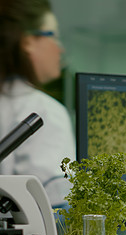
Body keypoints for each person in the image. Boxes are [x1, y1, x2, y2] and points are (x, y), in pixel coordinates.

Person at [0, 0, 75, 208]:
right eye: (54, 35)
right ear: (28, 41)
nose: (60, 49)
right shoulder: (45, 111)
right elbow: (57, 212)